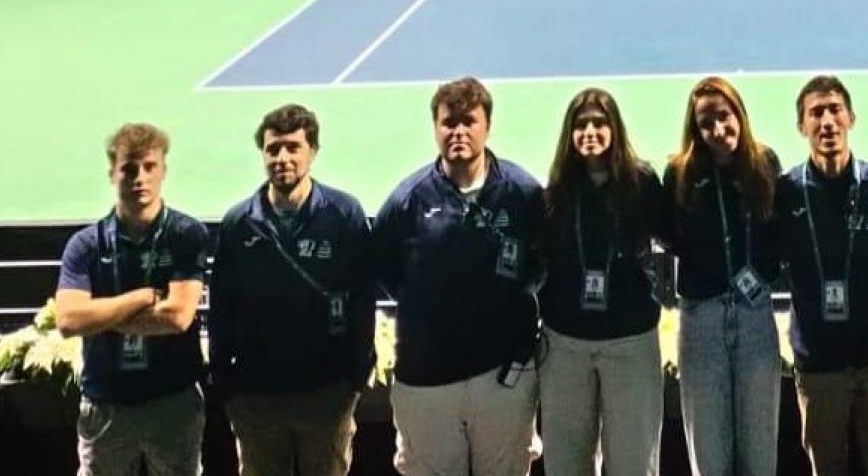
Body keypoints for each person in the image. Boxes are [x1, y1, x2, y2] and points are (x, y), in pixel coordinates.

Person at [373, 77, 543, 476]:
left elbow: (542, 263)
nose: (459, 132)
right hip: (427, 379)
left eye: (469, 121)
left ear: (487, 126)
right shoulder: (407, 201)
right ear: (435, 127)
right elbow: (383, 270)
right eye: (449, 122)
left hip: (503, 379)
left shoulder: (523, 193)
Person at [211, 104, 375, 476]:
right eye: (273, 149)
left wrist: (353, 379)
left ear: (312, 152)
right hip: (256, 398)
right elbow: (221, 305)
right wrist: (227, 384)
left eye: (293, 148)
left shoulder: (344, 214)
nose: (282, 158)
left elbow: (362, 298)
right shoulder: (240, 223)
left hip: (326, 395)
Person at [55, 123, 210, 476]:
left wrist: (99, 314)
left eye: (149, 167)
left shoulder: (187, 235)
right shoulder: (86, 245)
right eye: (129, 168)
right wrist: (139, 298)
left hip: (173, 402)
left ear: (163, 171)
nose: (139, 177)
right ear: (113, 173)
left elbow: (177, 318)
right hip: (105, 405)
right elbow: (68, 322)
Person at [776, 75, 868, 476]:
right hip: (820, 368)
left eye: (835, 110)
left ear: (851, 118)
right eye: (816, 113)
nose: (827, 121)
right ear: (802, 127)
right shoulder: (785, 194)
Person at [538, 88, 669, 476]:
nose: (590, 131)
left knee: (634, 463)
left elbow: (674, 234)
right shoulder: (557, 188)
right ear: (570, 133)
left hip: (629, 343)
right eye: (581, 124)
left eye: (599, 123)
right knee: (565, 463)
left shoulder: (642, 181)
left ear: (614, 129)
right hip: (566, 345)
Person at [664, 76, 783, 476]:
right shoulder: (678, 174)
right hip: (702, 320)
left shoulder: (765, 164)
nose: (717, 130)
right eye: (705, 123)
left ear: (739, 114)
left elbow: (774, 234)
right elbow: (673, 237)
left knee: (760, 449)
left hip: (754, 316)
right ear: (694, 129)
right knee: (709, 453)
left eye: (724, 117)